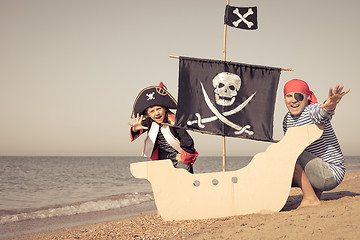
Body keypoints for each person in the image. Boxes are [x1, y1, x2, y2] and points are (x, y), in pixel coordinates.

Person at [283, 79, 350, 207]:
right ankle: (315, 192)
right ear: (285, 98)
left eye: (298, 95)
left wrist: (331, 104)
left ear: (307, 97)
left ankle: (310, 198)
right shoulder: (287, 120)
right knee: (282, 162)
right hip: (317, 171)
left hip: (330, 173)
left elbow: (323, 112)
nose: (293, 100)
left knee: (290, 155)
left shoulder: (311, 111)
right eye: (289, 96)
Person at [128, 82, 198, 173]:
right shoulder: (150, 122)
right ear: (147, 114)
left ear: (165, 109)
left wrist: (184, 156)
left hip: (178, 157)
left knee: (183, 182)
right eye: (152, 111)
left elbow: (187, 140)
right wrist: (135, 129)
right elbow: (140, 128)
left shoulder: (174, 121)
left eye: (158, 109)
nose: (156, 113)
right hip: (162, 159)